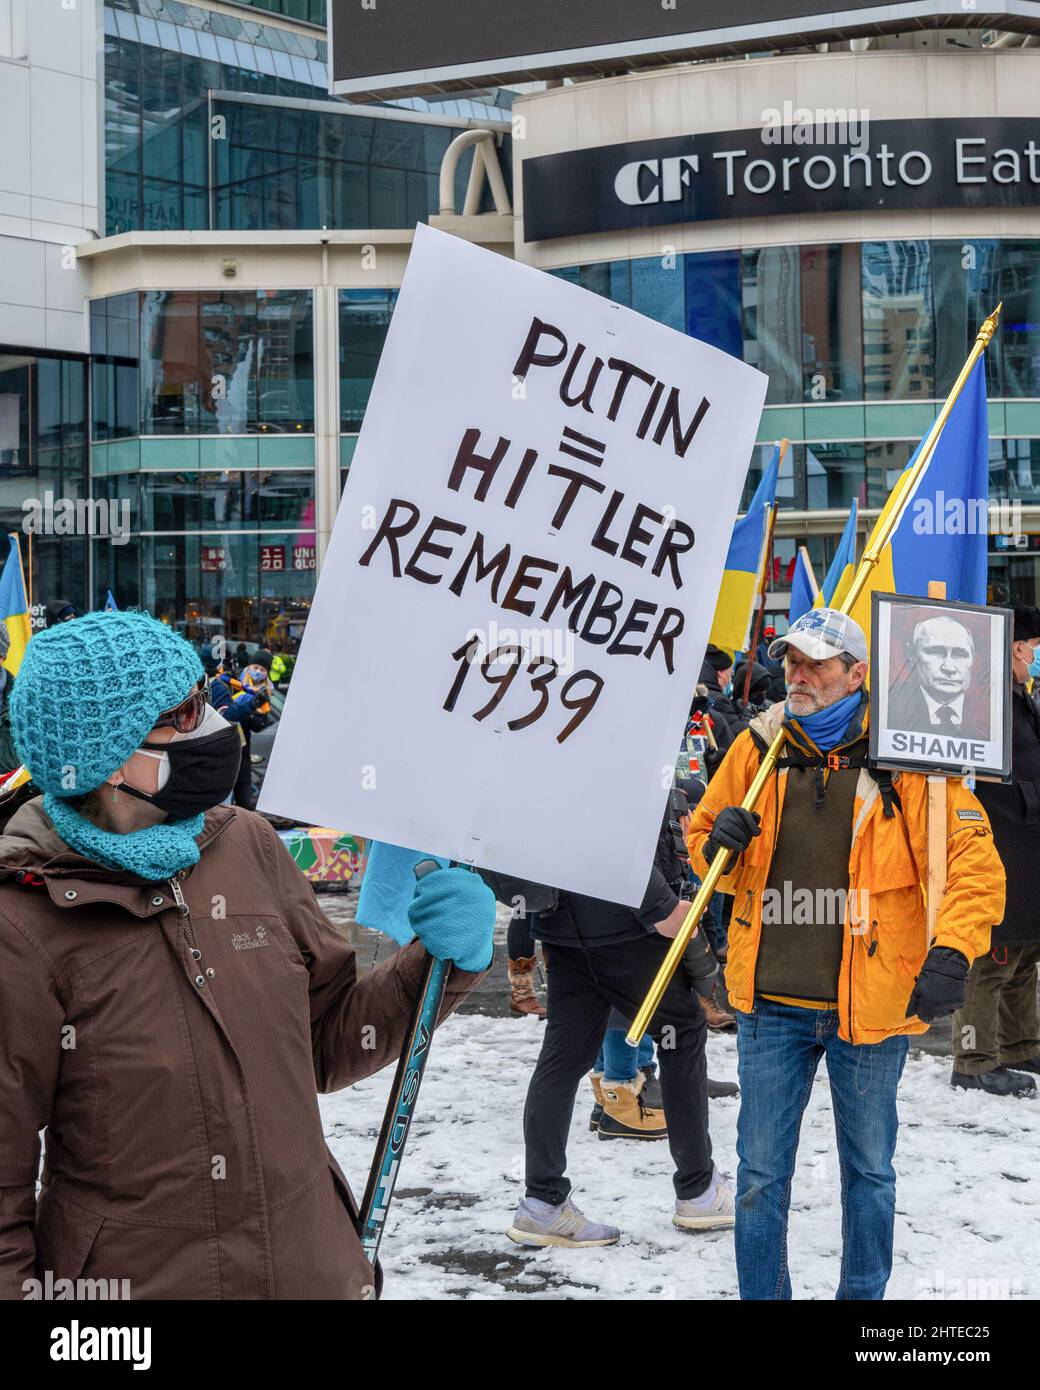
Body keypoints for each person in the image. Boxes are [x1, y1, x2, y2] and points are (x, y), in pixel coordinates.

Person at [0, 611, 495, 1301]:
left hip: (310, 1272)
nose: (211, 725)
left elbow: (328, 1040)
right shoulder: (22, 923)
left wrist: (440, 961)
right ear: (106, 756)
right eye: (181, 713)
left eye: (203, 697)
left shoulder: (249, 846)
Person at [686, 607, 1005, 1300]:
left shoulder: (914, 752)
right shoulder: (760, 745)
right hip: (770, 1006)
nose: (796, 676)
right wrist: (719, 847)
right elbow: (705, 837)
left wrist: (952, 951)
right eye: (791, 662)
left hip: (873, 1008)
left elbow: (975, 867)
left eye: (815, 664)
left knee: (870, 1172)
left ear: (857, 674)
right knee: (761, 1175)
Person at [497, 792, 734, 1249]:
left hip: (561, 922)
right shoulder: (592, 726)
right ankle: (699, 1189)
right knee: (682, 1034)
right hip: (623, 920)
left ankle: (543, 1202)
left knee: (563, 1058)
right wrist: (660, 905)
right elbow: (595, 816)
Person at [951, 605, 1040, 1097]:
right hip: (999, 843)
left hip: (1026, 843)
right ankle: (974, 1058)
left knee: (1024, 953)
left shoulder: (1019, 695)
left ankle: (1021, 1043)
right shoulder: (986, 699)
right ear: (1015, 648)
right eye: (1035, 645)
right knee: (991, 957)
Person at [888, 614, 987, 739]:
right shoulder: (890, 710)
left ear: (973, 659)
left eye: (960, 654)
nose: (948, 667)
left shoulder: (991, 716)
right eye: (935, 652)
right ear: (912, 657)